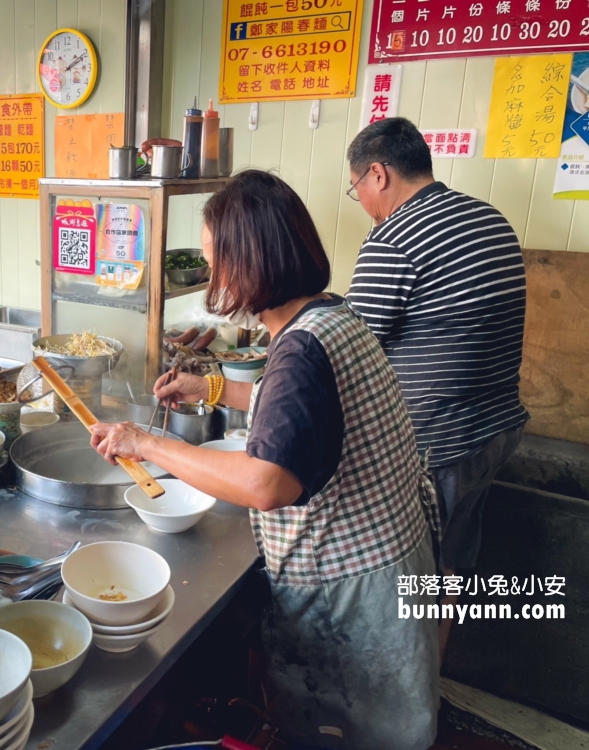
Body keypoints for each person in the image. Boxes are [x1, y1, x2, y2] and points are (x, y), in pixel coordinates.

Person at [90, 170, 440, 750]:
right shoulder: (330, 315)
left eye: (214, 260)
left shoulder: (301, 345)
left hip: (351, 596)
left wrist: (145, 443)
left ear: (252, 259)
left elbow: (266, 481)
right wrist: (212, 392)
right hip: (392, 566)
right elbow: (302, 417)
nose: (210, 278)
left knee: (347, 737)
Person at [344, 117, 528, 656]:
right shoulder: (489, 218)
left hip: (437, 442)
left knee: (413, 573)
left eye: (356, 187)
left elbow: (348, 352)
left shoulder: (396, 235)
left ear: (377, 174)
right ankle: (432, 684)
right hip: (495, 428)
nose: (360, 200)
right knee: (447, 566)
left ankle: (409, 703)